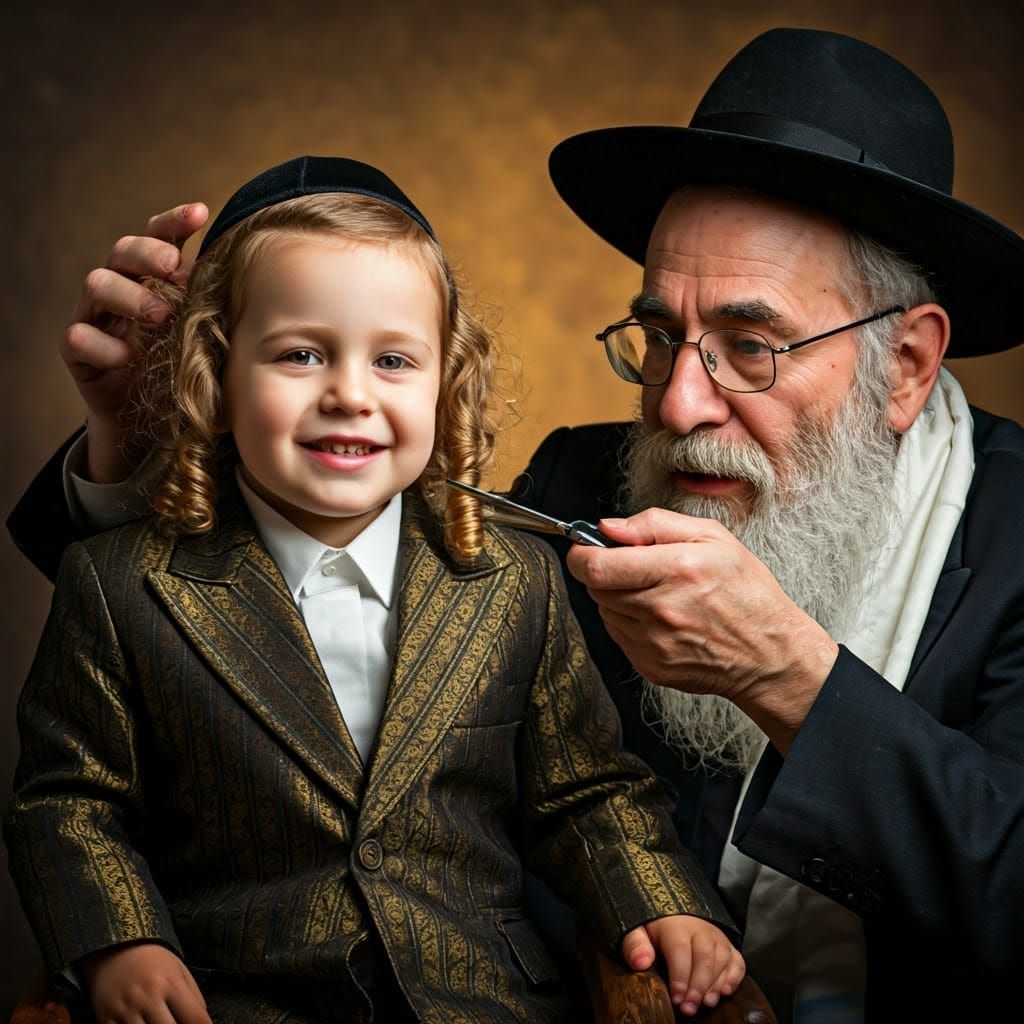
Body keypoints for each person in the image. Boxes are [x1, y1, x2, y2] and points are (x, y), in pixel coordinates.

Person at [8, 26, 1024, 1023]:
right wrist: (141, 434)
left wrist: (789, 676)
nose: (674, 408)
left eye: (750, 346)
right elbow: (208, 653)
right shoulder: (574, 487)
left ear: (906, 366)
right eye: (661, 336)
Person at [3, 156, 746, 1024]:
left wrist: (662, 899)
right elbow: (67, 801)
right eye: (302, 353)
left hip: (484, 1002)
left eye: (394, 360)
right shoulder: (120, 583)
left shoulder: (511, 578)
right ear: (214, 372)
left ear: (445, 382)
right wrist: (117, 943)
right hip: (237, 997)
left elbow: (583, 790)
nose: (349, 395)